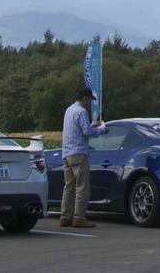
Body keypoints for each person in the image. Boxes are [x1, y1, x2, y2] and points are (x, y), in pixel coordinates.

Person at [59, 85, 107, 228]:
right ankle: (79, 218)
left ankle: (65, 216)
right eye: (89, 100)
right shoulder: (81, 112)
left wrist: (93, 124)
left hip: (66, 153)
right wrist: (101, 130)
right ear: (85, 98)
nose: (90, 103)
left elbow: (78, 128)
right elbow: (86, 132)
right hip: (79, 153)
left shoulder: (69, 110)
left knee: (69, 187)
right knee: (82, 187)